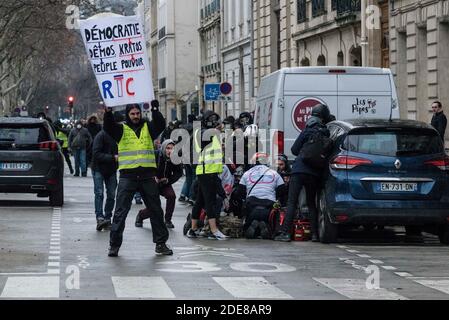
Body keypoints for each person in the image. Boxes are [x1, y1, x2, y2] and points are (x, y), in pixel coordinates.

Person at [103, 101, 173, 257]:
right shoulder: (121, 129)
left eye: (137, 113)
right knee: (120, 212)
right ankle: (114, 246)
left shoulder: (148, 127)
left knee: (155, 210)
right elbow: (108, 127)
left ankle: (161, 244)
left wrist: (155, 109)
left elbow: (160, 124)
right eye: (132, 114)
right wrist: (108, 112)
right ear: (128, 115)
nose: (136, 116)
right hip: (128, 176)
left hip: (147, 175)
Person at [274, 103, 332, 243]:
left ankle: (286, 233)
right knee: (312, 203)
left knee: (292, 202)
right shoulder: (326, 133)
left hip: (299, 170)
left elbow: (294, 150)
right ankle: (314, 235)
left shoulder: (307, 131)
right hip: (314, 173)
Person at [186, 110, 229, 240]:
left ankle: (193, 229)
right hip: (205, 171)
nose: (215, 122)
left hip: (208, 171)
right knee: (209, 201)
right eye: (211, 119)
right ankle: (214, 230)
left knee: (200, 201)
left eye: (216, 119)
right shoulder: (203, 133)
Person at [135, 139, 183, 229]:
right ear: (164, 148)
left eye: (172, 149)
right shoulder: (155, 154)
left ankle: (168, 220)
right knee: (155, 206)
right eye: (168, 148)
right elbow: (145, 166)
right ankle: (141, 215)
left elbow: (178, 173)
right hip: (151, 183)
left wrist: (168, 180)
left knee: (171, 196)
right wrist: (152, 176)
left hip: (165, 183)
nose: (170, 151)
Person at [236, 153, 285, 239]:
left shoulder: (247, 173)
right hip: (269, 204)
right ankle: (270, 229)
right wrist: (274, 196)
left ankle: (250, 227)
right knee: (273, 216)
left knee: (248, 219)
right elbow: (282, 189)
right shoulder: (274, 173)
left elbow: (240, 192)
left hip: (251, 203)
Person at [91, 122, 118, 232]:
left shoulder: (117, 136)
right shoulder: (100, 136)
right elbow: (96, 154)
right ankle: (100, 218)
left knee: (111, 194)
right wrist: (113, 158)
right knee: (99, 193)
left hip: (111, 169)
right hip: (99, 168)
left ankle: (107, 218)